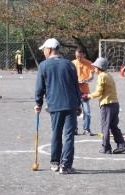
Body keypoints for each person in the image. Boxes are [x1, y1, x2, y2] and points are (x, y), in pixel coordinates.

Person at [34, 38, 82, 174]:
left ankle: (55, 162)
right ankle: (65, 165)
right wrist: (78, 103)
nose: (43, 52)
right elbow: (75, 86)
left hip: (55, 105)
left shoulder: (43, 65)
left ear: (49, 50)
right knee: (68, 136)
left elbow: (39, 88)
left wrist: (38, 103)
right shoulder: (70, 64)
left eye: (44, 50)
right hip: (71, 104)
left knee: (56, 133)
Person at [82, 57, 125, 154]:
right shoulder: (108, 75)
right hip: (115, 103)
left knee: (105, 127)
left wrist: (88, 96)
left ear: (99, 67)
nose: (94, 69)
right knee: (114, 126)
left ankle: (106, 147)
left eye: (95, 67)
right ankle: (121, 145)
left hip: (107, 104)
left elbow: (98, 92)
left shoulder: (101, 76)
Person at [72, 46, 95, 136]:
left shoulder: (89, 63)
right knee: (74, 111)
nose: (78, 58)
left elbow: (91, 76)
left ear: (84, 54)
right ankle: (74, 129)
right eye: (77, 56)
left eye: (80, 56)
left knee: (87, 111)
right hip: (74, 91)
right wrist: (76, 81)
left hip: (85, 91)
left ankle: (87, 129)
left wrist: (86, 80)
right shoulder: (72, 63)